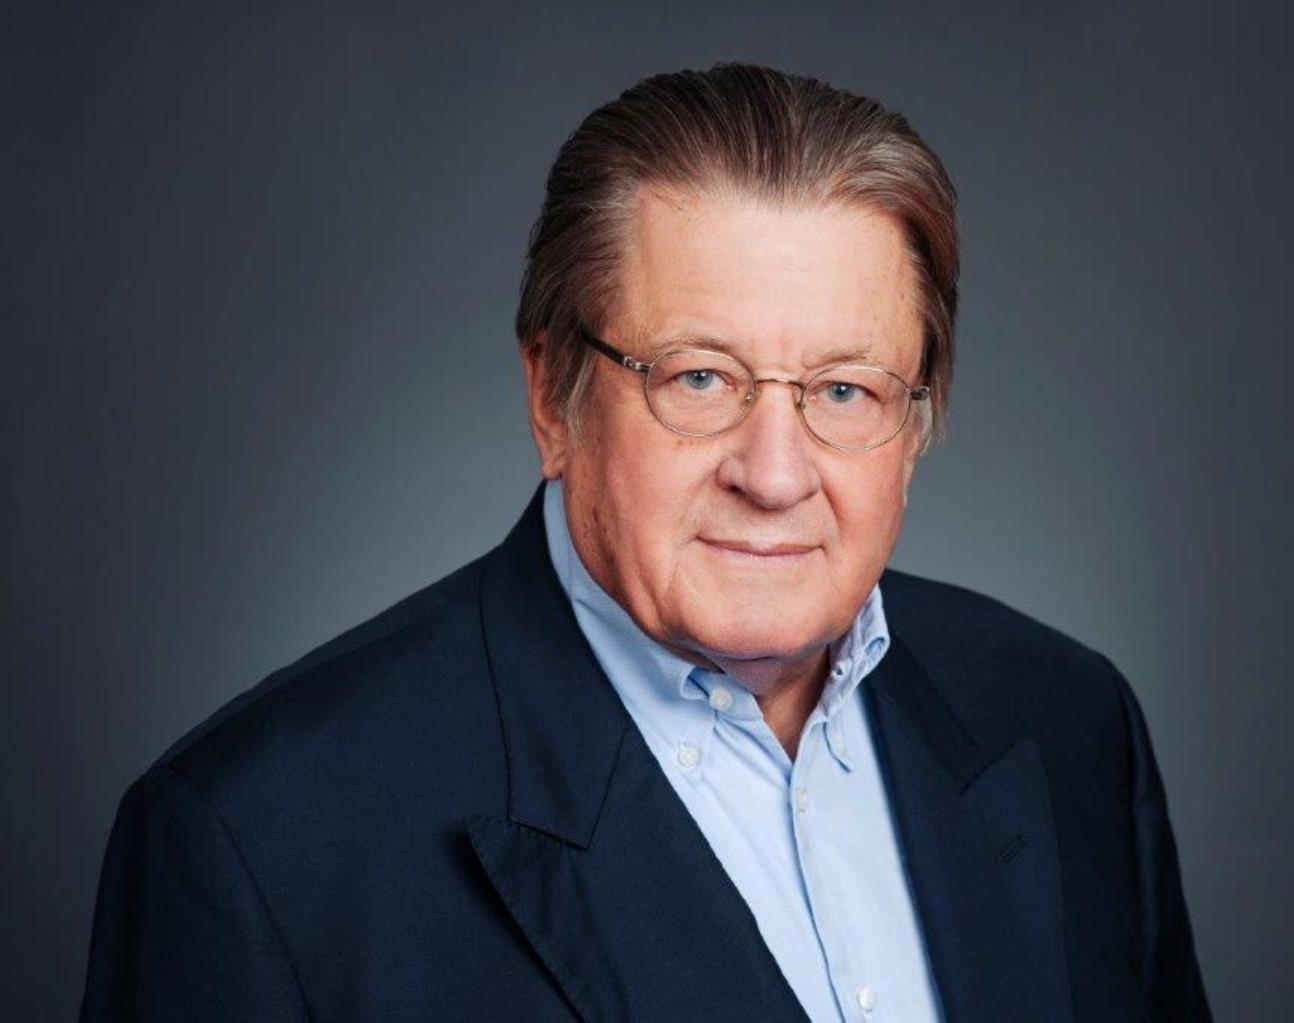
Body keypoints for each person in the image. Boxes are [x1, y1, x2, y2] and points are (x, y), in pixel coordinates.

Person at [79, 63, 1211, 1021]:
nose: (774, 473)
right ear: (552, 399)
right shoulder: (256, 844)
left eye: (845, 390)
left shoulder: (1068, 723)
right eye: (700, 378)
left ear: (915, 427)